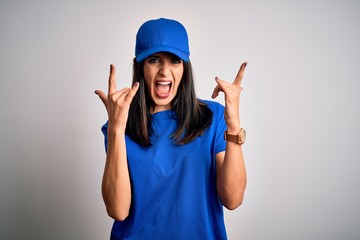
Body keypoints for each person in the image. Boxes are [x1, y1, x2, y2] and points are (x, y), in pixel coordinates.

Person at [95, 18, 247, 240]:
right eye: (154, 60)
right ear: (140, 67)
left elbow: (232, 199)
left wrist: (233, 125)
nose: (164, 71)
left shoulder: (213, 117)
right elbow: (118, 210)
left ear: (184, 68)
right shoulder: (120, 125)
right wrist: (117, 129)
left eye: (175, 60)